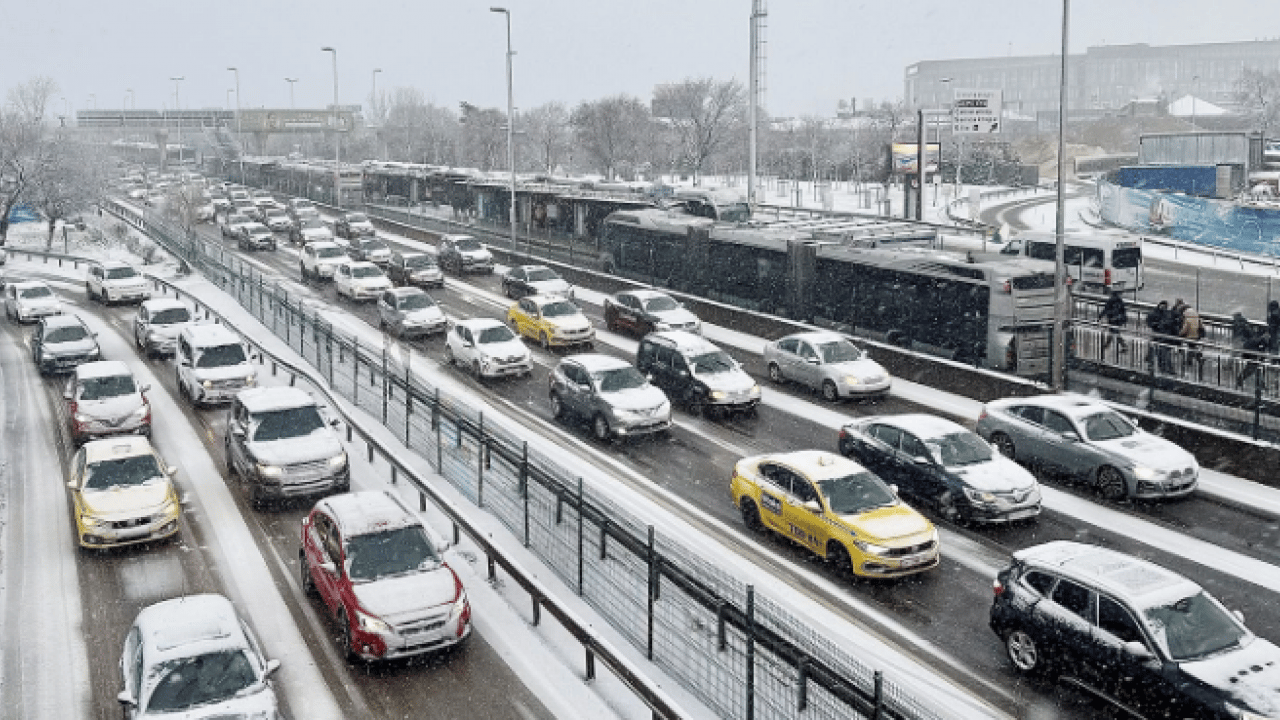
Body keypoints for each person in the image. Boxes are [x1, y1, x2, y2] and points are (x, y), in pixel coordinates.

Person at [1146, 300, 1175, 372]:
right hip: (1161, 336)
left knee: (1158, 352)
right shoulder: (1165, 314)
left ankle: (1157, 367)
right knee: (1162, 352)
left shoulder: (1158, 313)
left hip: (1160, 336)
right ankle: (1163, 368)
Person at [1178, 304, 1205, 370]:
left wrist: (1180, 333)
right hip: (1196, 335)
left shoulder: (1187, 318)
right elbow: (1201, 325)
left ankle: (1192, 360)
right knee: (1193, 347)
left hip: (1189, 335)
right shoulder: (1196, 316)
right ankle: (1198, 358)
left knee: (1191, 348)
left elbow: (1185, 328)